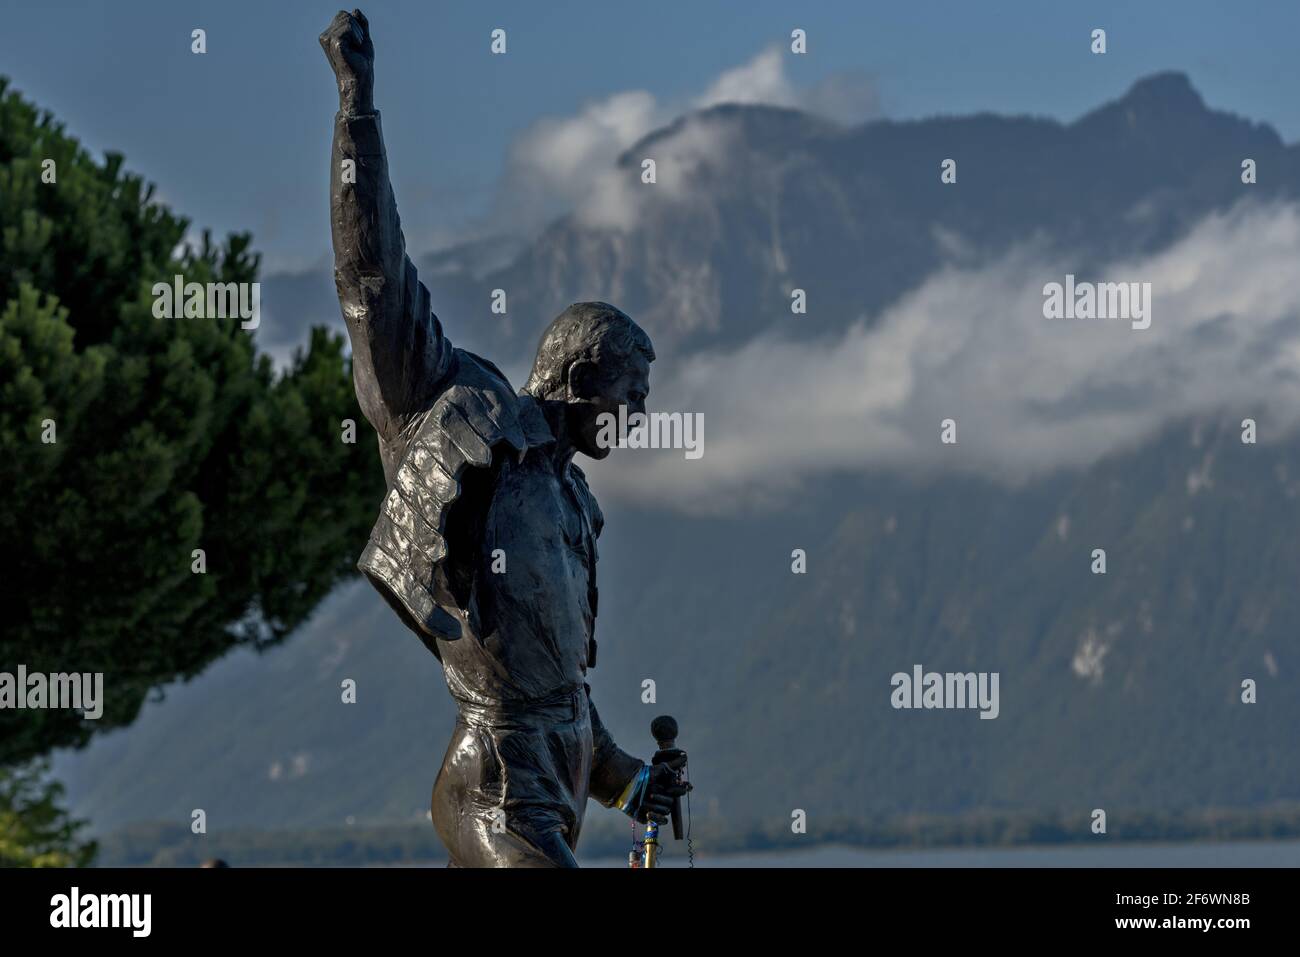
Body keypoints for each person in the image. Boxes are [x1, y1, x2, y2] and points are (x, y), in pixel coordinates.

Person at [320, 9, 689, 867]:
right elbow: (373, 281)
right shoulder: (458, 412)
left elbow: (559, 693)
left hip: (557, 780)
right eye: (628, 397)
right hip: (492, 786)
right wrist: (358, 108)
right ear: (578, 378)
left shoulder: (570, 500)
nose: (634, 418)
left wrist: (633, 781)